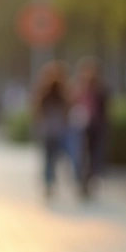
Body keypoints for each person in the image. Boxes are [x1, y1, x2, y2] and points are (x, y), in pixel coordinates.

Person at [32, 61, 81, 199]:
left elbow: (37, 112)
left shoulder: (44, 93)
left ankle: (50, 183)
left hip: (49, 131)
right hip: (59, 131)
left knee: (49, 160)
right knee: (67, 158)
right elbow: (68, 110)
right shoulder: (62, 93)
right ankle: (74, 182)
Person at [73, 57, 110, 198]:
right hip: (81, 127)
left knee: (95, 156)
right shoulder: (78, 88)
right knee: (81, 156)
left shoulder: (101, 90)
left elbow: (105, 111)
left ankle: (89, 181)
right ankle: (82, 181)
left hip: (97, 127)